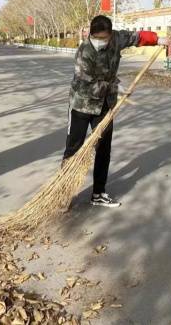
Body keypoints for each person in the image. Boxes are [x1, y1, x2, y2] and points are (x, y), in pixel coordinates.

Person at [62, 15, 162, 207]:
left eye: (105, 38)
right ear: (91, 35)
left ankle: (98, 193)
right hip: (82, 104)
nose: (102, 42)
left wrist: (158, 39)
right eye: (97, 38)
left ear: (110, 34)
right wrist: (115, 88)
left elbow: (137, 37)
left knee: (103, 148)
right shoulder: (84, 52)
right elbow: (86, 86)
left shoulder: (116, 38)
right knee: (74, 147)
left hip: (105, 104)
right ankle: (64, 193)